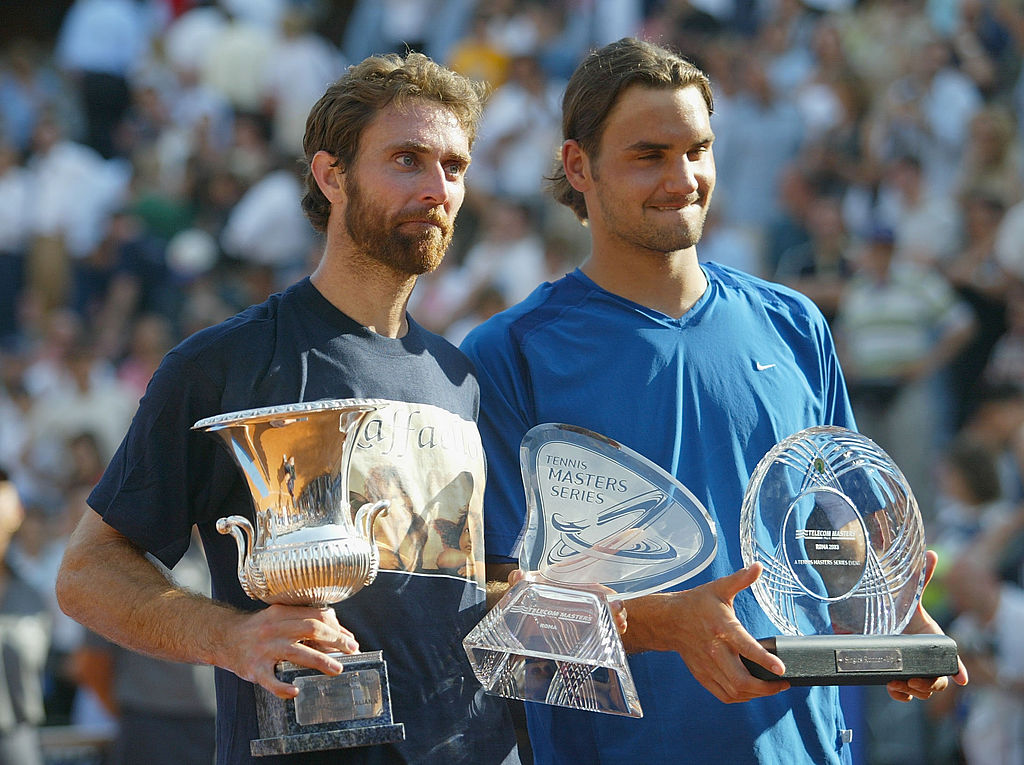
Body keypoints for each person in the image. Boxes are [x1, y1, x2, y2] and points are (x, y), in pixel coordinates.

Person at [460, 38, 966, 765]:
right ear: (579, 167)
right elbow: (491, 617)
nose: (683, 177)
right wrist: (659, 623)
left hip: (807, 748)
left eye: (698, 149)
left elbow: (836, 526)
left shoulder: (795, 324)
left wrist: (895, 614)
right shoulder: (507, 354)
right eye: (650, 155)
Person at [55, 52, 519, 765]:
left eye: (454, 167)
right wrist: (231, 638)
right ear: (331, 175)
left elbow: (456, 595)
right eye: (407, 159)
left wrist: (540, 598)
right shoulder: (224, 364)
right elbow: (86, 572)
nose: (437, 188)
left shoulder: (459, 378)